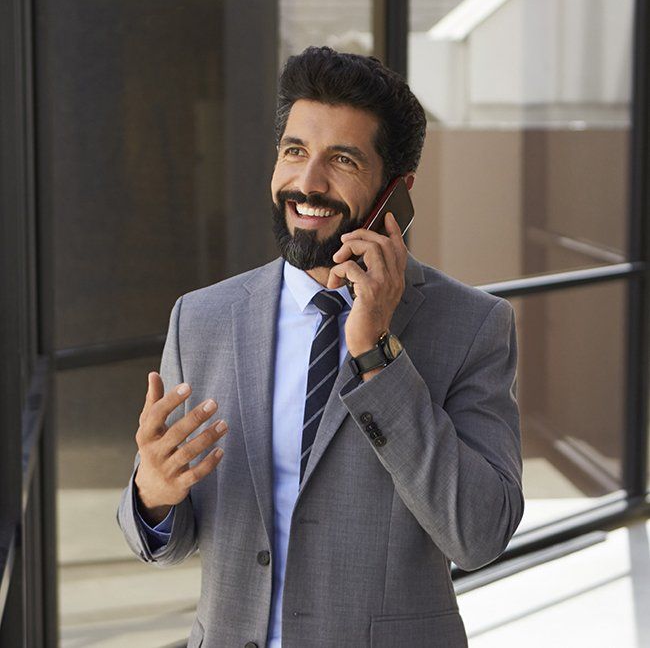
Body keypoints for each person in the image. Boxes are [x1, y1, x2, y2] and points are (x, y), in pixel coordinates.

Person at [118, 46, 523, 648]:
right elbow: (171, 541)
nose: (307, 183)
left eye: (341, 159)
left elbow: (479, 534)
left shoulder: (472, 326)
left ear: (397, 191)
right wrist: (153, 494)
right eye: (294, 151)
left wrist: (377, 356)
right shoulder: (200, 319)